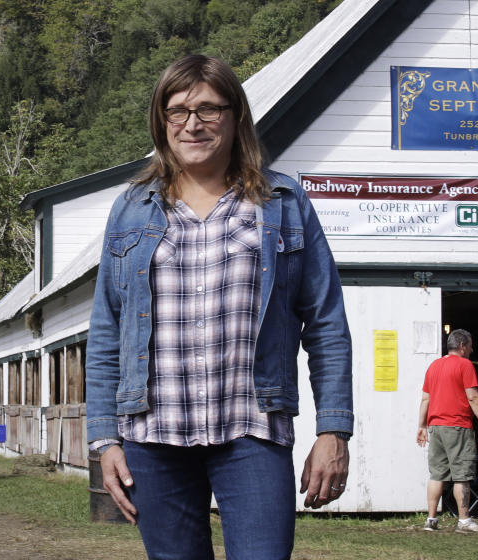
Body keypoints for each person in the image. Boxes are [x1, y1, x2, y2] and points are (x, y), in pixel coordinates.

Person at [85, 54, 352, 560]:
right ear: (161, 121)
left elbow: (326, 325)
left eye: (209, 109)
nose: (192, 124)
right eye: (177, 110)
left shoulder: (284, 203)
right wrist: (105, 439)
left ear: (235, 117)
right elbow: (107, 330)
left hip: (251, 430)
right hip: (153, 434)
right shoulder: (131, 209)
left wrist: (333, 429)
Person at [416, 329, 478, 533]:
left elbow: (426, 398)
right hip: (457, 426)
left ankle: (431, 519)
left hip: (436, 427)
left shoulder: (434, 366)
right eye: (470, 345)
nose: (471, 349)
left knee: (437, 474)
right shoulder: (465, 365)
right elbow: (473, 397)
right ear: (462, 346)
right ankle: (464, 520)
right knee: (462, 475)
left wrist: (422, 426)